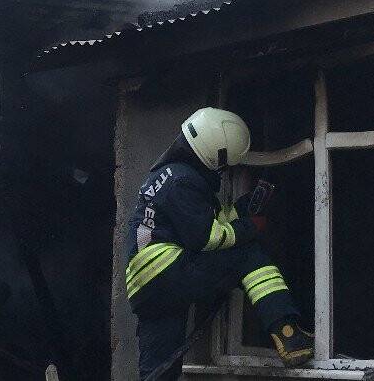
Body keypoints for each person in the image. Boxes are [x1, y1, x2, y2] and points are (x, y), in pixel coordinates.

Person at [125, 108, 314, 379]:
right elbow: (205, 237)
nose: (223, 172)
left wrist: (240, 210)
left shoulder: (167, 176)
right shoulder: (184, 179)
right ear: (215, 153)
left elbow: (201, 221)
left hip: (147, 288)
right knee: (249, 255)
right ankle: (289, 334)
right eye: (224, 165)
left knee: (159, 369)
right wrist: (252, 227)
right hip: (169, 270)